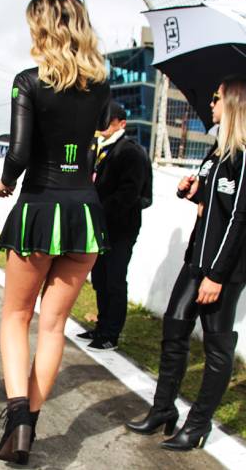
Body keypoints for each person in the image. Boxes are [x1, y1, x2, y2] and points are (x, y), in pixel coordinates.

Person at [0, 0, 110, 465]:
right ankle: (31, 424)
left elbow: (19, 153)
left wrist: (5, 182)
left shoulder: (27, 82)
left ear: (40, 28)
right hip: (84, 212)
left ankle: (17, 417)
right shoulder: (102, 86)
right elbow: (90, 138)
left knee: (16, 318)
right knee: (55, 324)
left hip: (40, 206)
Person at [126, 78, 246, 451]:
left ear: (233, 104)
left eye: (215, 98)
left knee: (217, 346)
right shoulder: (216, 152)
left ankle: (197, 426)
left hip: (221, 271)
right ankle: (163, 410)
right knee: (174, 328)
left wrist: (217, 275)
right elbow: (210, 206)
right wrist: (191, 190)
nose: (209, 104)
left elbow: (240, 219)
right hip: (196, 261)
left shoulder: (244, 156)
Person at [79, 101, 151, 351]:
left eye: (108, 122)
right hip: (101, 225)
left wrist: (100, 210)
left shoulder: (129, 151)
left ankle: (111, 333)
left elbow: (129, 193)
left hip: (120, 227)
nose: (103, 127)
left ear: (121, 124)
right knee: (99, 277)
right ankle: (102, 326)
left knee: (115, 279)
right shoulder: (101, 148)